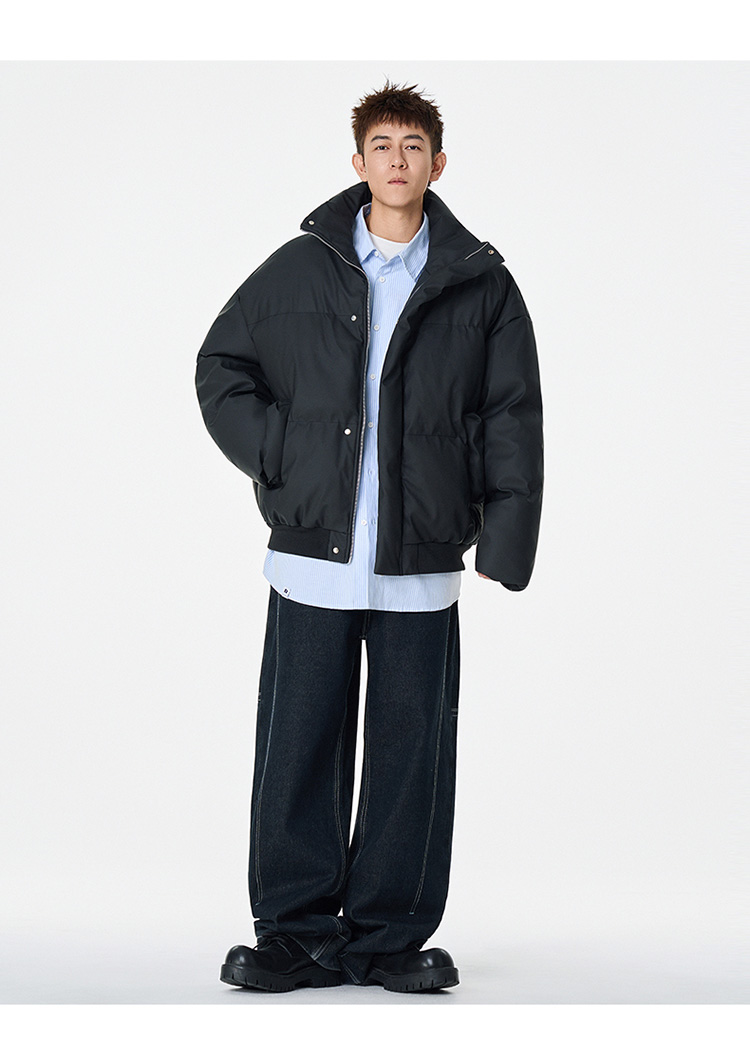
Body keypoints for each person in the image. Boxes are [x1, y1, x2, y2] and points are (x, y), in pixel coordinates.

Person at [195, 80, 544, 994]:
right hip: (313, 553)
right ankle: (296, 934)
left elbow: (512, 413)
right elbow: (222, 364)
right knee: (298, 744)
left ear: (438, 164)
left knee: (409, 751)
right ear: (358, 162)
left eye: (413, 146)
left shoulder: (482, 283)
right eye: (382, 145)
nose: (397, 160)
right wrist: (280, 453)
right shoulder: (300, 267)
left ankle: (389, 936)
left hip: (419, 556)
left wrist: (505, 536)